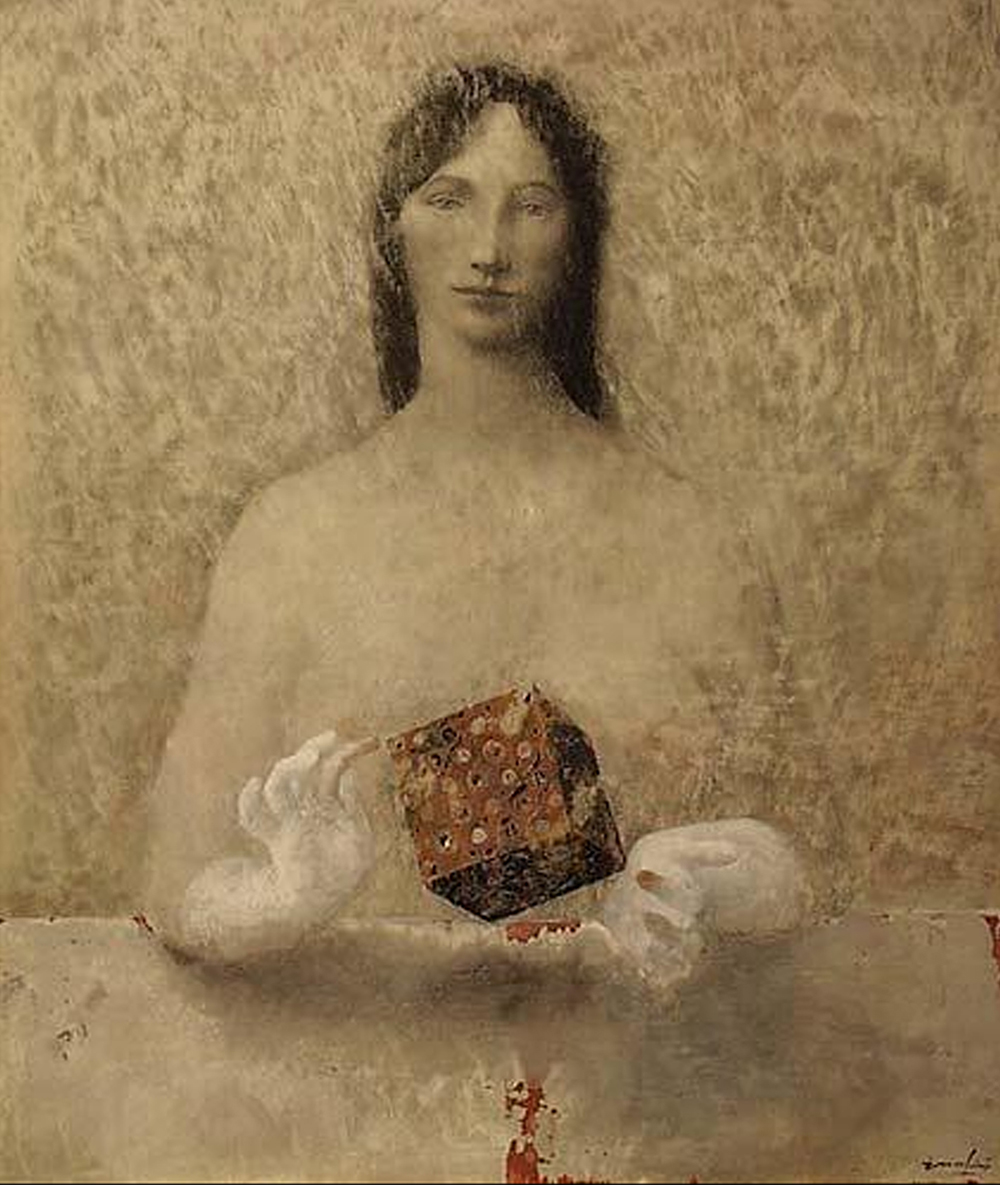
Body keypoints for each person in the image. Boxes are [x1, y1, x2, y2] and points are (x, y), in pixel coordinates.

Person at [143, 62, 814, 980]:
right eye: (449, 199)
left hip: (632, 1058)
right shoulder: (291, 533)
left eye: (531, 206)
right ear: (395, 229)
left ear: (577, 236)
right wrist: (285, 895)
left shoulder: (688, 532)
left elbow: (806, 853)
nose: (489, 248)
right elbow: (177, 882)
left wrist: (701, 881)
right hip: (357, 1053)